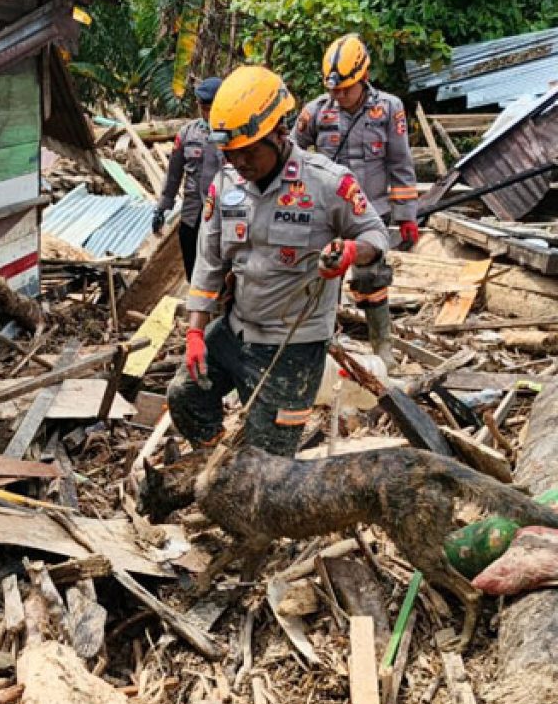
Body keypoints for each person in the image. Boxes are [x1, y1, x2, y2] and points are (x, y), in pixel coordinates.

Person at [166, 65, 390, 457]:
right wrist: (196, 333)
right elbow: (209, 262)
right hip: (235, 332)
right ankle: (221, 464)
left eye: (250, 151)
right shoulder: (226, 185)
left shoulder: (327, 183)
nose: (239, 163)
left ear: (280, 132)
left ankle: (247, 480)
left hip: (293, 347)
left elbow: (375, 234)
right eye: (231, 154)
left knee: (267, 457)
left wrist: (353, 252)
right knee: (183, 396)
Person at [294, 34, 419, 367]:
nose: (338, 95)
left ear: (363, 77)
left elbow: (400, 163)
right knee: (322, 276)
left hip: (370, 212)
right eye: (333, 89)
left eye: (345, 89)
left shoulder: (389, 110)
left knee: (371, 279)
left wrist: (407, 215)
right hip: (325, 213)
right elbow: (290, 155)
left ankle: (382, 345)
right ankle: (322, 346)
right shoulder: (315, 113)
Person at [152, 76, 224, 280]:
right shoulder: (187, 134)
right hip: (193, 212)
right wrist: (162, 207)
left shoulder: (233, 134)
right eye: (204, 107)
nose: (207, 113)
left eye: (211, 107)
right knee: (192, 265)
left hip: (222, 213)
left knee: (220, 266)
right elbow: (174, 174)